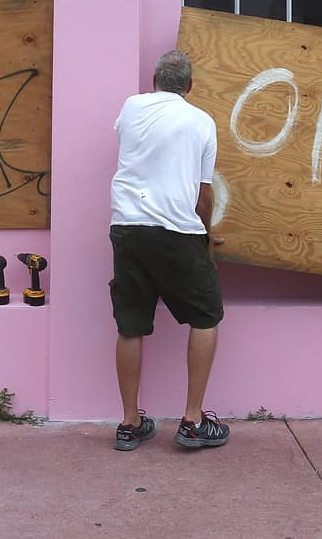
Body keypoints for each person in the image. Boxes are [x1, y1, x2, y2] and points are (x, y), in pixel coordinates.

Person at [108, 49, 230, 452]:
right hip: (177, 230)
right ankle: (193, 420)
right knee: (206, 315)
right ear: (190, 87)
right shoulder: (201, 122)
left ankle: (129, 423)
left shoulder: (130, 107)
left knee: (131, 325)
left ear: (155, 80)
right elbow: (204, 194)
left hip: (127, 227)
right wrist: (207, 236)